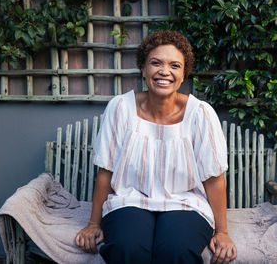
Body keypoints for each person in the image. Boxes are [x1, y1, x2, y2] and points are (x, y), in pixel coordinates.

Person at [75, 30, 237, 264]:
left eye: (174, 65)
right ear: (143, 69)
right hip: (130, 199)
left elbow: (214, 178)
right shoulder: (120, 108)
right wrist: (93, 224)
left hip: (186, 202)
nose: (164, 71)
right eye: (155, 63)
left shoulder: (200, 114)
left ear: (183, 74)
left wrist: (222, 232)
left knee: (175, 250)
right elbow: (106, 171)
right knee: (126, 247)